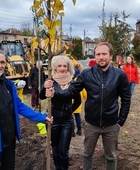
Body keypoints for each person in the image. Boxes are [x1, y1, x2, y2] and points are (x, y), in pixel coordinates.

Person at [44, 42, 131, 170]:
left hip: (111, 124)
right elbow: (72, 90)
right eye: (98, 54)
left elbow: (126, 99)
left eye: (104, 54)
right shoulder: (86, 74)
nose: (101, 57)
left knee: (111, 156)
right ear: (94, 56)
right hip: (91, 124)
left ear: (111, 56)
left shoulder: (119, 75)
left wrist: (120, 121)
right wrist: (55, 93)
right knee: (87, 154)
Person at [0, 49, 53, 170]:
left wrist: (42, 117)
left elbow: (19, 106)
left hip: (9, 143)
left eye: (2, 62)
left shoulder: (7, 84)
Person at [40, 55, 81, 170]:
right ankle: (58, 168)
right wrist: (44, 87)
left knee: (64, 150)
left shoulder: (72, 83)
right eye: (60, 66)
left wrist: (69, 111)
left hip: (67, 121)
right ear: (55, 67)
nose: (62, 68)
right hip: (53, 119)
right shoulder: (50, 81)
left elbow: (77, 101)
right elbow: (41, 96)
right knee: (55, 148)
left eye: (65, 66)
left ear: (68, 67)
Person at [72, 62, 87, 136]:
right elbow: (84, 91)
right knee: (77, 115)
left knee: (70, 115)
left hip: (71, 99)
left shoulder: (71, 78)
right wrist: (86, 97)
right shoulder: (81, 78)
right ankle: (79, 129)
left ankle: (72, 131)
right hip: (78, 100)